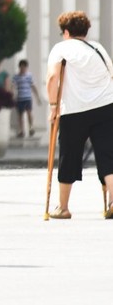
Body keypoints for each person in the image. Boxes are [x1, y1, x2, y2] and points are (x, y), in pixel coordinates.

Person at [45, 11, 113, 220]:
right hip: (105, 106)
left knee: (69, 155)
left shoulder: (61, 48)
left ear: (66, 32)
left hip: (74, 110)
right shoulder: (98, 48)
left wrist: (53, 105)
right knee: (108, 155)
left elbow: (53, 77)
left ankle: (63, 207)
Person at [12, 59, 41, 138]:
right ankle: (21, 130)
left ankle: (31, 128)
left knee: (29, 113)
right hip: (20, 98)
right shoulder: (16, 76)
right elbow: (13, 86)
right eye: (21, 67)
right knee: (20, 115)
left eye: (24, 67)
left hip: (27, 97)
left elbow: (33, 86)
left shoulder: (29, 76)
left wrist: (37, 96)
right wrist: (12, 95)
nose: (23, 69)